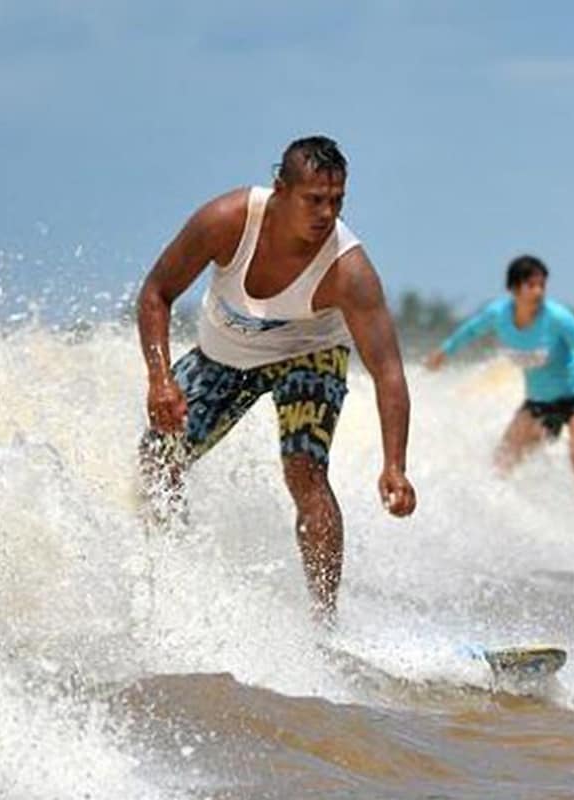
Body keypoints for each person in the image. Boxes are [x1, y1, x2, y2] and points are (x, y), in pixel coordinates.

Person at [136, 135, 417, 625]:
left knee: (305, 471)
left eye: (337, 200)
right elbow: (156, 293)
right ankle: (171, 575)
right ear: (280, 189)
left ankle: (324, 624)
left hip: (309, 355)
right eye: (314, 199)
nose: (327, 213)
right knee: (158, 457)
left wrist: (395, 465)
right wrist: (160, 379)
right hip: (223, 356)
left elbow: (388, 371)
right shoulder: (227, 222)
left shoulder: (348, 270)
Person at [425, 255, 574, 525]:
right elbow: (469, 332)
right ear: (514, 289)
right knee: (500, 464)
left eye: (542, 285)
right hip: (539, 403)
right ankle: (495, 525)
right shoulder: (498, 314)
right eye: (531, 285)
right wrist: (443, 353)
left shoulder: (557, 317)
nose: (539, 292)